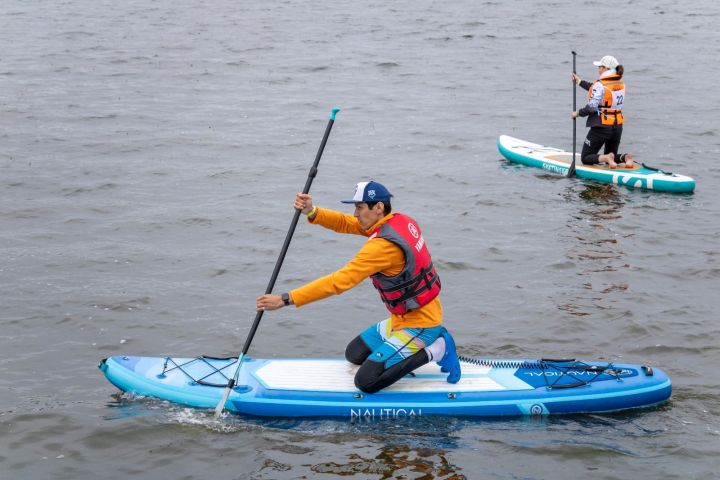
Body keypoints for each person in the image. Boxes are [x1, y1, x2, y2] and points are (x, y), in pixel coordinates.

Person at [256, 180, 461, 393]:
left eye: (360, 207)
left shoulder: (382, 247)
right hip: (401, 319)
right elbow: (348, 223)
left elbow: (338, 282)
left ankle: (437, 349)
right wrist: (312, 211)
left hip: (421, 325)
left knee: (367, 381)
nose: (355, 213)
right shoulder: (400, 221)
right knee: (354, 354)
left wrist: (285, 299)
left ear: (379, 207)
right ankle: (409, 349)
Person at [571, 55, 634, 169]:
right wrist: (580, 82)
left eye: (600, 66)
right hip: (617, 126)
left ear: (605, 68)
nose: (598, 69)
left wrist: (578, 113)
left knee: (586, 157)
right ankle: (625, 157)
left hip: (602, 127)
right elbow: (596, 89)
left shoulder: (601, 84)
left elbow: (592, 107)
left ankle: (606, 158)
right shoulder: (620, 83)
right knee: (611, 154)